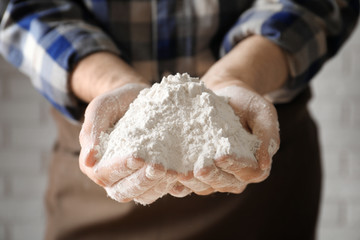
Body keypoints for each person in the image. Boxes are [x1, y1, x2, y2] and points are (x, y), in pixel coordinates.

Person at [0, 0, 358, 239]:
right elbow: (29, 8)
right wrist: (111, 83)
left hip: (257, 184)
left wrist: (242, 73)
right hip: (103, 180)